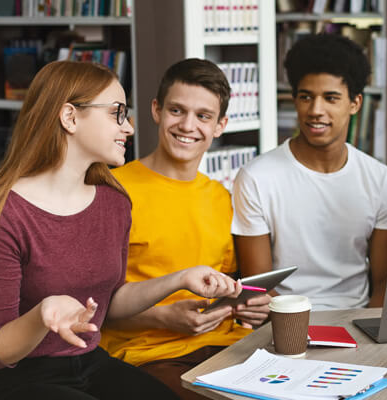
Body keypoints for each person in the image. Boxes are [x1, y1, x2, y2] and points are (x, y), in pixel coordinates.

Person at [0, 60, 243, 400]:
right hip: (21, 376)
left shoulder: (113, 202)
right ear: (70, 117)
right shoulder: (7, 211)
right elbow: (0, 351)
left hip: (90, 362)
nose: (128, 128)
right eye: (117, 113)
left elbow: (113, 299)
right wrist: (43, 314)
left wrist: (181, 278)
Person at [100, 58, 271, 400]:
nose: (188, 125)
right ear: (156, 110)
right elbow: (95, 307)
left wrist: (249, 305)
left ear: (220, 125)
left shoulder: (221, 197)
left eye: (203, 116)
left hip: (230, 349)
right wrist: (164, 318)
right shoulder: (112, 190)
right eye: (177, 110)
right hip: (148, 356)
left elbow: (226, 285)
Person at [231, 34, 387, 311]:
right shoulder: (256, 178)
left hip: (358, 320)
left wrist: (365, 338)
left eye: (331, 98)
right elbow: (259, 287)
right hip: (283, 321)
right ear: (294, 99)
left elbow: (384, 285)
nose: (316, 110)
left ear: (355, 103)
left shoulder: (382, 181)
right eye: (306, 97)